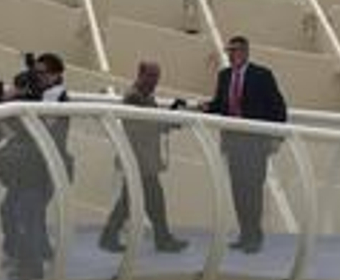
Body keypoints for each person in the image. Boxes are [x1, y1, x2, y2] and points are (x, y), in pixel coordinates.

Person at [202, 36, 288, 254]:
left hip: (255, 143)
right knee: (238, 190)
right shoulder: (225, 76)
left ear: (246, 52)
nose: (231, 55)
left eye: (236, 51)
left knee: (253, 190)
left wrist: (276, 137)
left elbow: (278, 107)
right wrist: (205, 108)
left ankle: (254, 236)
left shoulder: (262, 76)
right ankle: (244, 234)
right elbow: (222, 105)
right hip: (234, 143)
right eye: (229, 51)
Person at [0, 54, 70, 280]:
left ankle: (30, 269)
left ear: (57, 74)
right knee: (14, 212)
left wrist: (11, 106)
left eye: (43, 73)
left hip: (43, 168)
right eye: (36, 73)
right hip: (28, 168)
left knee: (26, 216)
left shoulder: (57, 99)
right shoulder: (41, 96)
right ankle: (31, 254)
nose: (38, 77)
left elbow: (38, 130)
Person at [99, 61, 188, 254]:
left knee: (135, 201)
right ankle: (161, 239)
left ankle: (111, 237)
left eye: (156, 76)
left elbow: (152, 122)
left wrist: (171, 116)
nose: (154, 81)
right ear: (140, 74)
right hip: (139, 160)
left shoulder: (143, 96)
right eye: (151, 76)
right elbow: (146, 125)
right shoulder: (134, 97)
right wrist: (172, 117)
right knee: (149, 201)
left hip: (141, 160)